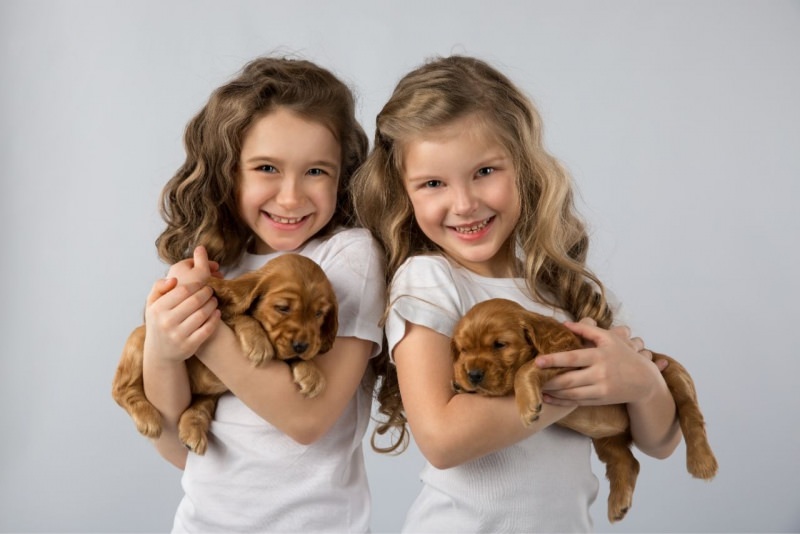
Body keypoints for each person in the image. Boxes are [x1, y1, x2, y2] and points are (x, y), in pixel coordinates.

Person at [352, 55, 681, 532]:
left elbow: (661, 442)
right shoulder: (429, 280)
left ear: (523, 167)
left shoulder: (562, 291)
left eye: (486, 171)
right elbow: (443, 440)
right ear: (404, 194)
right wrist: (575, 384)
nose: (464, 203)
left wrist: (642, 382)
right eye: (433, 183)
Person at [139, 56, 385, 532]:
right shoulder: (218, 264)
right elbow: (179, 450)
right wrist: (163, 353)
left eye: (317, 171)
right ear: (228, 171)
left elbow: (307, 418)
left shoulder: (349, 257)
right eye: (267, 167)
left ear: (344, 176)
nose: (291, 197)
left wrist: (206, 321)